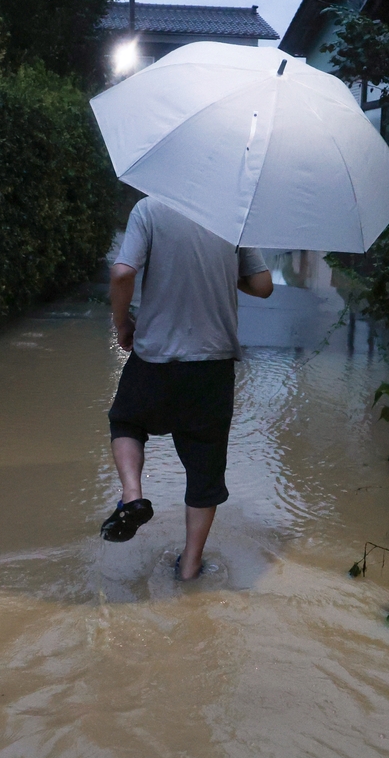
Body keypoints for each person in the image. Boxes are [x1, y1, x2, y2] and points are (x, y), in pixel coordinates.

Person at [99, 195, 273, 581]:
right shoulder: (234, 213)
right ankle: (190, 568)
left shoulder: (149, 208)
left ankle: (132, 496)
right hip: (213, 367)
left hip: (155, 358)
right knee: (205, 472)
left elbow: (122, 273)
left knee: (127, 422)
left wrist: (122, 321)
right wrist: (225, 271)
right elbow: (263, 286)